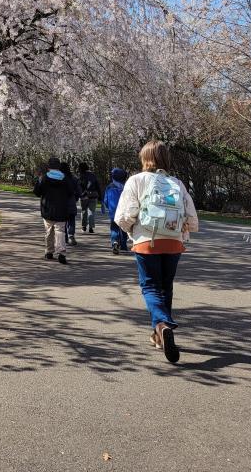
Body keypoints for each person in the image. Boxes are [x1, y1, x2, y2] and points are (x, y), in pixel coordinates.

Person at [115, 141, 199, 364]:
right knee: (166, 286)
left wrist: (130, 230)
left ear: (144, 158)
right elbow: (191, 216)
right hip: (173, 242)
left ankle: (162, 323)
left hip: (147, 241)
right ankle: (159, 333)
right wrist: (184, 232)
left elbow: (125, 215)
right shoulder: (176, 183)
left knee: (150, 286)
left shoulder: (137, 180)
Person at [32, 157, 71, 264]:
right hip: (62, 209)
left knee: (49, 231)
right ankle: (61, 252)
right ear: (59, 167)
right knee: (60, 231)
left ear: (49, 167)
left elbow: (37, 192)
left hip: (47, 208)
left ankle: (49, 252)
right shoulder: (65, 178)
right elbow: (71, 192)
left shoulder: (44, 178)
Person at [101, 167, 129, 254]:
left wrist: (107, 206)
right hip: (124, 211)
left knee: (114, 228)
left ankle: (115, 242)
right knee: (124, 228)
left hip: (113, 212)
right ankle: (123, 245)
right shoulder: (126, 187)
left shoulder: (109, 187)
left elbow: (105, 200)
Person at [77, 162, 102, 234]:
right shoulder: (93, 175)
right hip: (93, 195)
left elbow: (79, 186)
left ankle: (84, 226)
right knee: (91, 212)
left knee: (84, 211)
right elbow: (97, 186)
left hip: (84, 196)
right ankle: (91, 227)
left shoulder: (81, 176)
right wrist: (100, 196)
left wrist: (81, 194)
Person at [61, 161, 80, 246]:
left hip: (61, 203)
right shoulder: (74, 178)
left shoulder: (59, 178)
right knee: (71, 220)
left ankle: (64, 237)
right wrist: (75, 198)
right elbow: (79, 191)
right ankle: (71, 235)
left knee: (63, 221)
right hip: (71, 201)